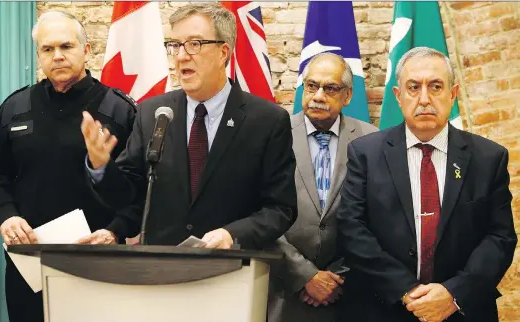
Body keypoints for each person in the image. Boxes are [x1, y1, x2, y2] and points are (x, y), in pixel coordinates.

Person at [80, 3, 297, 250]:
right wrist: (101, 166)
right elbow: (131, 197)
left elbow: (280, 209)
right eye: (175, 45)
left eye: (194, 44)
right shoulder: (152, 113)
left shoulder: (267, 120)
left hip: (233, 272)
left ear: (223, 52)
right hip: (161, 270)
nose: (181, 55)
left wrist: (232, 234)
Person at [336, 47, 517, 322]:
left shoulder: (489, 158)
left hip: (461, 310)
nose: (424, 99)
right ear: (398, 96)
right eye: (413, 87)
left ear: (453, 94)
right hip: (383, 308)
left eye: (435, 86)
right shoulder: (365, 153)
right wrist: (405, 290)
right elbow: (352, 228)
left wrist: (452, 294)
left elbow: (499, 237)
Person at [0, 11, 137, 322]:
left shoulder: (118, 110)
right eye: (47, 49)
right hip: (30, 264)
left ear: (86, 50)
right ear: (38, 54)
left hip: (97, 263)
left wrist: (116, 231)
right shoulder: (16, 106)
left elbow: (141, 189)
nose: (58, 56)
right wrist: (6, 216)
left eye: (66, 46)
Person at [267, 53, 377, 322]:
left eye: (330, 88)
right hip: (283, 291)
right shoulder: (272, 134)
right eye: (312, 86)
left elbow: (380, 219)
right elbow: (259, 211)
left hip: (350, 294)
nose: (318, 96)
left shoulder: (372, 139)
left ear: (348, 96)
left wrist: (339, 276)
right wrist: (305, 275)